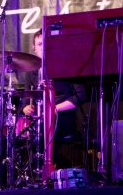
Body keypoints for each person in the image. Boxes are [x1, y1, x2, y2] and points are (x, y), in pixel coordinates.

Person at [17, 29, 87, 170]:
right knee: (21, 130)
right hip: (39, 118)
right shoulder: (31, 72)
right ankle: (28, 170)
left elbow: (81, 95)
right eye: (39, 44)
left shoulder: (67, 66)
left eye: (46, 44)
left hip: (62, 118)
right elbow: (25, 102)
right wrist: (26, 108)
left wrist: (54, 109)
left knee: (46, 128)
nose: (43, 47)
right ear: (34, 48)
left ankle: (47, 169)